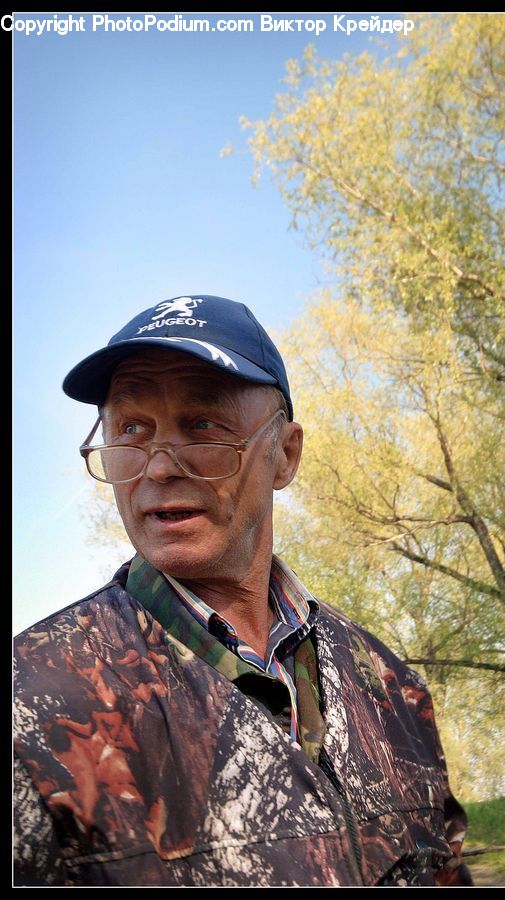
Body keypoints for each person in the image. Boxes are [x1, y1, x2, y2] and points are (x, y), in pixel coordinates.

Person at [13, 295, 472, 886]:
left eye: (202, 425)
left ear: (284, 454)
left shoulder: (390, 687)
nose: (157, 468)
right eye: (130, 429)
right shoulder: (34, 705)